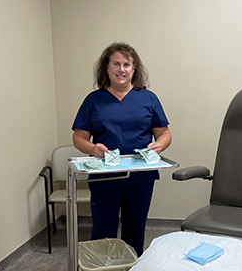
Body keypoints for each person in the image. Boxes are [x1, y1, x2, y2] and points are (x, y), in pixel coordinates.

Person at [72, 42, 172, 256]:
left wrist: (159, 145)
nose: (121, 69)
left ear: (134, 70)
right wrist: (92, 148)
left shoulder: (148, 98)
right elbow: (78, 137)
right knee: (103, 231)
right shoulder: (93, 101)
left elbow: (165, 133)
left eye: (127, 64)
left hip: (140, 178)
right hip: (105, 177)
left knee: (134, 232)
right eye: (116, 64)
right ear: (106, 69)